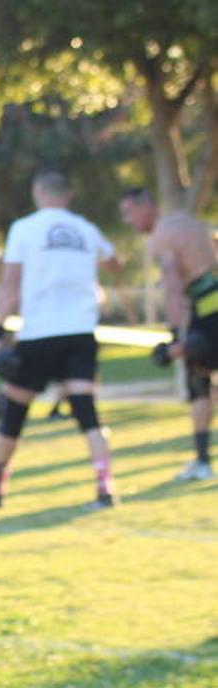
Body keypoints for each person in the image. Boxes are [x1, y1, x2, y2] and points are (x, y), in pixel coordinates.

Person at [0, 171, 121, 510]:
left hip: (40, 333)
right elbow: (114, 262)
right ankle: (105, 486)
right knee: (87, 412)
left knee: (14, 411)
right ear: (68, 194)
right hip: (80, 332)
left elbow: (10, 285)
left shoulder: (25, 229)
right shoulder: (85, 228)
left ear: (39, 193)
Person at [120, 188, 217, 481]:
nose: (127, 220)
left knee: (198, 380)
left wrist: (175, 336)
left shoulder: (161, 237)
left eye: (129, 212)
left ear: (146, 207)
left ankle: (202, 461)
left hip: (208, 308)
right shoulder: (188, 222)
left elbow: (173, 284)